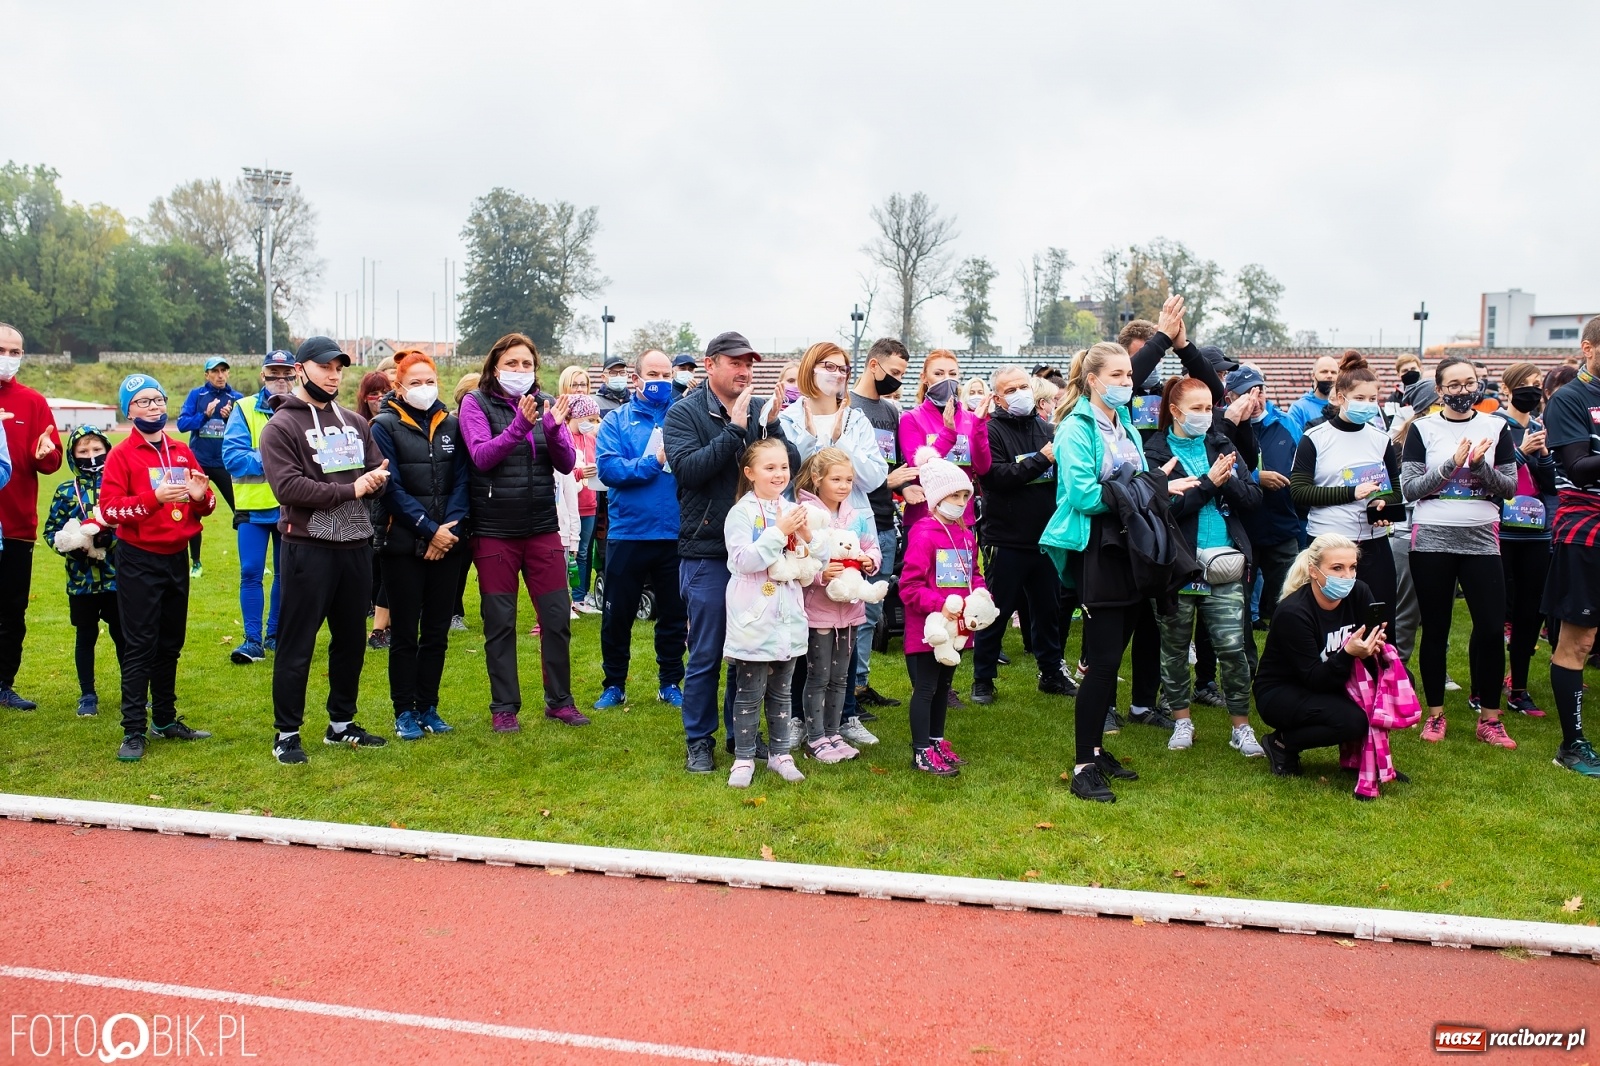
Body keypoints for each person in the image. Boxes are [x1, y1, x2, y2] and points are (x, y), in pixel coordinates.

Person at [664, 331, 799, 773]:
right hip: (706, 551)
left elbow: (788, 463)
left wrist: (772, 425)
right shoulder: (683, 413)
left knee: (749, 650)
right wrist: (734, 430)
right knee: (707, 651)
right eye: (735, 363)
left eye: (749, 364)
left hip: (760, 552)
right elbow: (689, 471)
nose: (744, 372)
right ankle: (697, 740)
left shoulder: (761, 409)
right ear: (710, 366)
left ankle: (740, 735)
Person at [260, 336, 393, 765]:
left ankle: (341, 725)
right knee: (297, 643)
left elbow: (376, 467)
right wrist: (352, 488)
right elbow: (288, 487)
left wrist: (378, 479)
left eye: (339, 368)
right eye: (324, 367)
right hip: (307, 546)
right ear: (301, 370)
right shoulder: (280, 427)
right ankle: (287, 732)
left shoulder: (355, 421)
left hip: (355, 544)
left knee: (351, 640)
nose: (333, 375)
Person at [1040, 342, 1149, 802]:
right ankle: (1085, 762)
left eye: (1129, 375)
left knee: (1113, 656)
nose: (1127, 382)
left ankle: (1099, 750)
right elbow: (1084, 496)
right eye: (1118, 375)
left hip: (1127, 550)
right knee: (1102, 663)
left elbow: (1142, 480)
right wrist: (1135, 493)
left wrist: (1136, 490)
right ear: (1093, 380)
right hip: (1096, 552)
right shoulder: (1075, 428)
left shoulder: (1125, 426)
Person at [459, 332, 585, 731]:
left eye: (526, 364)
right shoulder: (474, 404)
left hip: (542, 528)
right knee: (500, 621)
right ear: (495, 366)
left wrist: (553, 428)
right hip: (495, 531)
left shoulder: (547, 403)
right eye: (511, 363)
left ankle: (560, 701)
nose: (519, 370)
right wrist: (519, 426)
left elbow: (565, 464)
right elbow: (481, 457)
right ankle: (504, 708)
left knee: (556, 618)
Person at [1143, 375, 1265, 756]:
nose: (1206, 415)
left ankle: (1241, 727)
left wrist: (1223, 482)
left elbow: (1253, 498)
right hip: (1178, 565)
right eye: (1196, 408)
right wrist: (1209, 485)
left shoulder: (1221, 442)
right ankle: (1181, 721)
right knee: (1175, 647)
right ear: (1175, 411)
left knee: (1232, 647)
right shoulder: (1156, 452)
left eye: (1210, 407)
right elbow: (1163, 510)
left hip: (1225, 562)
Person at [96, 374, 216, 761]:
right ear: (127, 410)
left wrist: (200, 499)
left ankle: (164, 718)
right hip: (138, 559)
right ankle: (133, 729)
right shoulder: (120, 454)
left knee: (170, 643)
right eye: (142, 402)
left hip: (176, 557)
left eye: (158, 400)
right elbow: (111, 510)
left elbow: (206, 502)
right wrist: (152, 498)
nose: (153, 407)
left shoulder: (181, 451)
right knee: (140, 644)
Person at [1400, 356, 1517, 749]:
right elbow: (1411, 489)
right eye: (1454, 385)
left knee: (1488, 629)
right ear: (1440, 390)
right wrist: (1452, 463)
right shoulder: (1422, 429)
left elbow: (1509, 488)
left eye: (1470, 383)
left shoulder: (1496, 427)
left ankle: (1490, 719)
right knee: (1436, 628)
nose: (1463, 391)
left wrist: (1480, 465)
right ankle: (1435, 715)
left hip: (1481, 537)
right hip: (1432, 538)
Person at [778, 341, 889, 742]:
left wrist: (840, 443)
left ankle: (844, 716)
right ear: (811, 368)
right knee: (805, 628)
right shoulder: (790, 417)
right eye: (829, 366)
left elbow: (875, 476)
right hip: (806, 522)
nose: (838, 374)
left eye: (843, 368)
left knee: (850, 626)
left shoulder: (856, 419)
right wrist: (818, 442)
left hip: (852, 522)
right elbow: (790, 472)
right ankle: (796, 716)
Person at [370, 350, 469, 741]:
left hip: (448, 544)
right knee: (405, 633)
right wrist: (429, 529)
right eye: (416, 382)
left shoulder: (453, 425)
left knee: (437, 632)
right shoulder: (383, 426)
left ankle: (429, 705)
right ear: (398, 385)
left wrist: (448, 531)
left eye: (430, 381)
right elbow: (389, 488)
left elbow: (463, 481)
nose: (424, 388)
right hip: (402, 543)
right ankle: (404, 711)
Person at [972, 364, 1075, 703]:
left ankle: (1051, 673)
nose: (1019, 393)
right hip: (1007, 539)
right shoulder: (991, 432)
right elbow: (997, 479)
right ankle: (983, 679)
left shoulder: (1048, 428)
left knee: (1049, 613)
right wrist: (1042, 460)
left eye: (1023, 386)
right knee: (995, 612)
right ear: (998, 398)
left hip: (1046, 538)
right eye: (1011, 389)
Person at [592, 349, 688, 711]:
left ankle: (670, 683)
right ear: (636, 378)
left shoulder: (683, 417)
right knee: (617, 615)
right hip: (628, 533)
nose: (661, 381)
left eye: (666, 375)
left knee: (674, 617)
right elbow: (610, 471)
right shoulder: (616, 421)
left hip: (674, 532)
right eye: (654, 374)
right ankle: (614, 683)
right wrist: (654, 462)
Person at [722, 437, 820, 788]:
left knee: (782, 692)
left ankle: (781, 754)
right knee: (749, 693)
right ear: (750, 473)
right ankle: (745, 757)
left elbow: (807, 558)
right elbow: (742, 560)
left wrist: (806, 541)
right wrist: (779, 533)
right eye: (769, 467)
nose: (779, 474)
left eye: (783, 467)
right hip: (754, 614)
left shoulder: (791, 508)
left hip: (787, 615)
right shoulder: (742, 513)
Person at [1253, 533, 1389, 783]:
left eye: (1352, 567)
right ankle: (1281, 743)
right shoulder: (1294, 612)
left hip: (1333, 680)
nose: (1347, 576)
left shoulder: (1359, 592)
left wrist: (1376, 647)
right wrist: (1348, 653)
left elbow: (1373, 652)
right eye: (1337, 568)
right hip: (1284, 691)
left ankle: (1372, 761)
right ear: (1314, 571)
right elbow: (1314, 678)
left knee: (1392, 689)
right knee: (1351, 721)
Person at [1290, 353, 1401, 633]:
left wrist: (1381, 504)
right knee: (1332, 621)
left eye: (1373, 399)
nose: (1367, 405)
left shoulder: (1381, 439)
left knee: (1380, 620)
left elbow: (1394, 491)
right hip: (1328, 542)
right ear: (1339, 397)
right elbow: (1299, 492)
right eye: (1360, 398)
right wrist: (1351, 493)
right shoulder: (1315, 438)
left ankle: (1379, 675)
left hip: (1373, 544)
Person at [1537, 315, 1600, 777]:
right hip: (1585, 532)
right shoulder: (1570, 398)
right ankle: (1572, 744)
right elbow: (1578, 467)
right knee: (1578, 641)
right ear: (1587, 348)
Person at [899, 448, 986, 777]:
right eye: (955, 495)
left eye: (966, 494)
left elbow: (972, 575)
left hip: (959, 630)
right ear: (937, 498)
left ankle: (936, 741)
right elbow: (909, 587)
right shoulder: (923, 534)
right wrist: (941, 606)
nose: (962, 501)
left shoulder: (966, 535)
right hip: (929, 628)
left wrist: (980, 595)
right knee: (926, 687)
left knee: (943, 686)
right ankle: (921, 751)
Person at [794, 447, 882, 761]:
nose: (844, 485)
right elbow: (797, 557)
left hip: (851, 611)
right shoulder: (806, 515)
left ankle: (834, 733)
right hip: (819, 612)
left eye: (848, 479)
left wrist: (869, 562)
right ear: (818, 479)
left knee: (841, 677)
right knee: (818, 676)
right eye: (836, 479)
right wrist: (820, 574)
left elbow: (872, 547)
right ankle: (814, 737)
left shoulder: (856, 516)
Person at [847, 338, 914, 713]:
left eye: (902, 374)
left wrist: (906, 485)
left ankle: (859, 684)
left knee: (872, 610)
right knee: (851, 609)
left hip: (885, 523)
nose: (897, 380)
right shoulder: (848, 407)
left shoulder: (890, 411)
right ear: (874, 365)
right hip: (856, 520)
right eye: (894, 373)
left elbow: (896, 465)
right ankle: (843, 690)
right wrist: (884, 483)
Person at [0, 323, 63, 711]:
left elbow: (52, 458)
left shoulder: (33, 402)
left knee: (11, 611)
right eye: (2, 349)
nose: (8, 358)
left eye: (15, 351)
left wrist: (45, 455)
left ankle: (4, 684)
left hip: (18, 527)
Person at [222, 350, 297, 663]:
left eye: (286, 374)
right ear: (262, 376)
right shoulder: (243, 408)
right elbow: (232, 459)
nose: (280, 380)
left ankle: (275, 636)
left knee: (284, 575)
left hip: (290, 507)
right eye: (273, 373)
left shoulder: (303, 409)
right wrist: (275, 457)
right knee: (251, 572)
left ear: (296, 376)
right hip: (252, 510)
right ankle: (252, 640)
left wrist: (261, 456)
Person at [1225, 365, 1302, 666]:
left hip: (1282, 527)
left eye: (1260, 391)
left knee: (1288, 601)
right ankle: (1247, 669)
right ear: (1230, 397)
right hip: (1241, 532)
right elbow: (1220, 470)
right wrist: (1257, 477)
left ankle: (1286, 664)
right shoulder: (1225, 428)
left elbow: (1304, 471)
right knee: (1240, 606)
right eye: (1245, 393)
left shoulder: (1286, 424)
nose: (1254, 399)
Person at [42, 426, 122, 717]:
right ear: (73, 456)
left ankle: (132, 690)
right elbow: (50, 530)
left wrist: (110, 539)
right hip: (81, 582)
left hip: (117, 578)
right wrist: (67, 546)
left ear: (108, 449)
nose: (91, 456)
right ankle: (87, 694)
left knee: (124, 636)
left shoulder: (119, 482)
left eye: (97, 450)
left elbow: (134, 520)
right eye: (83, 452)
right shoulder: (65, 490)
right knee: (85, 636)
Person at [1494, 362, 1557, 718]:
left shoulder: (1541, 429)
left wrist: (1543, 454)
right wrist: (1521, 452)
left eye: (1537, 386)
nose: (1532, 391)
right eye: (1526, 385)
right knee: (1492, 613)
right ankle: (1480, 688)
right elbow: (1488, 474)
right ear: (1509, 388)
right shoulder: (1495, 426)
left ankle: (1518, 688)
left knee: (1529, 615)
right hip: (1501, 532)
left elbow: (1551, 484)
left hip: (1537, 534)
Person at [897, 349, 992, 528]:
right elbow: (919, 468)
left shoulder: (970, 419)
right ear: (924, 377)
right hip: (924, 518)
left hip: (963, 517)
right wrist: (948, 434)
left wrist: (979, 425)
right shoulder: (912, 418)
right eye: (939, 374)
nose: (947, 379)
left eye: (952, 374)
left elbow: (983, 467)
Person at [174, 356, 242, 579]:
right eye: (215, 371)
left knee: (242, 513)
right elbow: (182, 424)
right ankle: (196, 563)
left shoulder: (237, 398)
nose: (220, 375)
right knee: (193, 513)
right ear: (207, 375)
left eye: (224, 370)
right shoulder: (197, 395)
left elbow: (246, 431)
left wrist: (230, 418)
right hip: (199, 463)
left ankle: (254, 563)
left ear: (228, 373)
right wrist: (205, 416)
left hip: (225, 462)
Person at [355, 371, 394, 649]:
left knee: (389, 568)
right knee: (373, 569)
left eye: (384, 392)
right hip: (364, 507)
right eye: (373, 393)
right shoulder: (358, 425)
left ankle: (382, 628)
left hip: (390, 505)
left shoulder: (394, 424)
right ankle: (376, 627)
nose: (379, 398)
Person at [563, 393, 602, 614]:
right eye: (590, 418)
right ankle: (564, 599)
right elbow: (561, 471)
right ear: (577, 416)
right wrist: (578, 473)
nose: (593, 424)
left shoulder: (591, 439)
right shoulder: (564, 437)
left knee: (584, 552)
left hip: (590, 502)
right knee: (568, 554)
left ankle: (580, 598)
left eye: (596, 419)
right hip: (569, 506)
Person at [448, 372, 481, 632]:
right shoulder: (452, 426)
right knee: (456, 564)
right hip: (457, 503)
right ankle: (452, 612)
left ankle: (489, 610)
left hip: (482, 503)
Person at [1287, 354, 1341, 434]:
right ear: (1313, 376)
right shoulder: (1299, 408)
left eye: (1333, 372)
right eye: (1324, 372)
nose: (1329, 376)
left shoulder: (1343, 405)